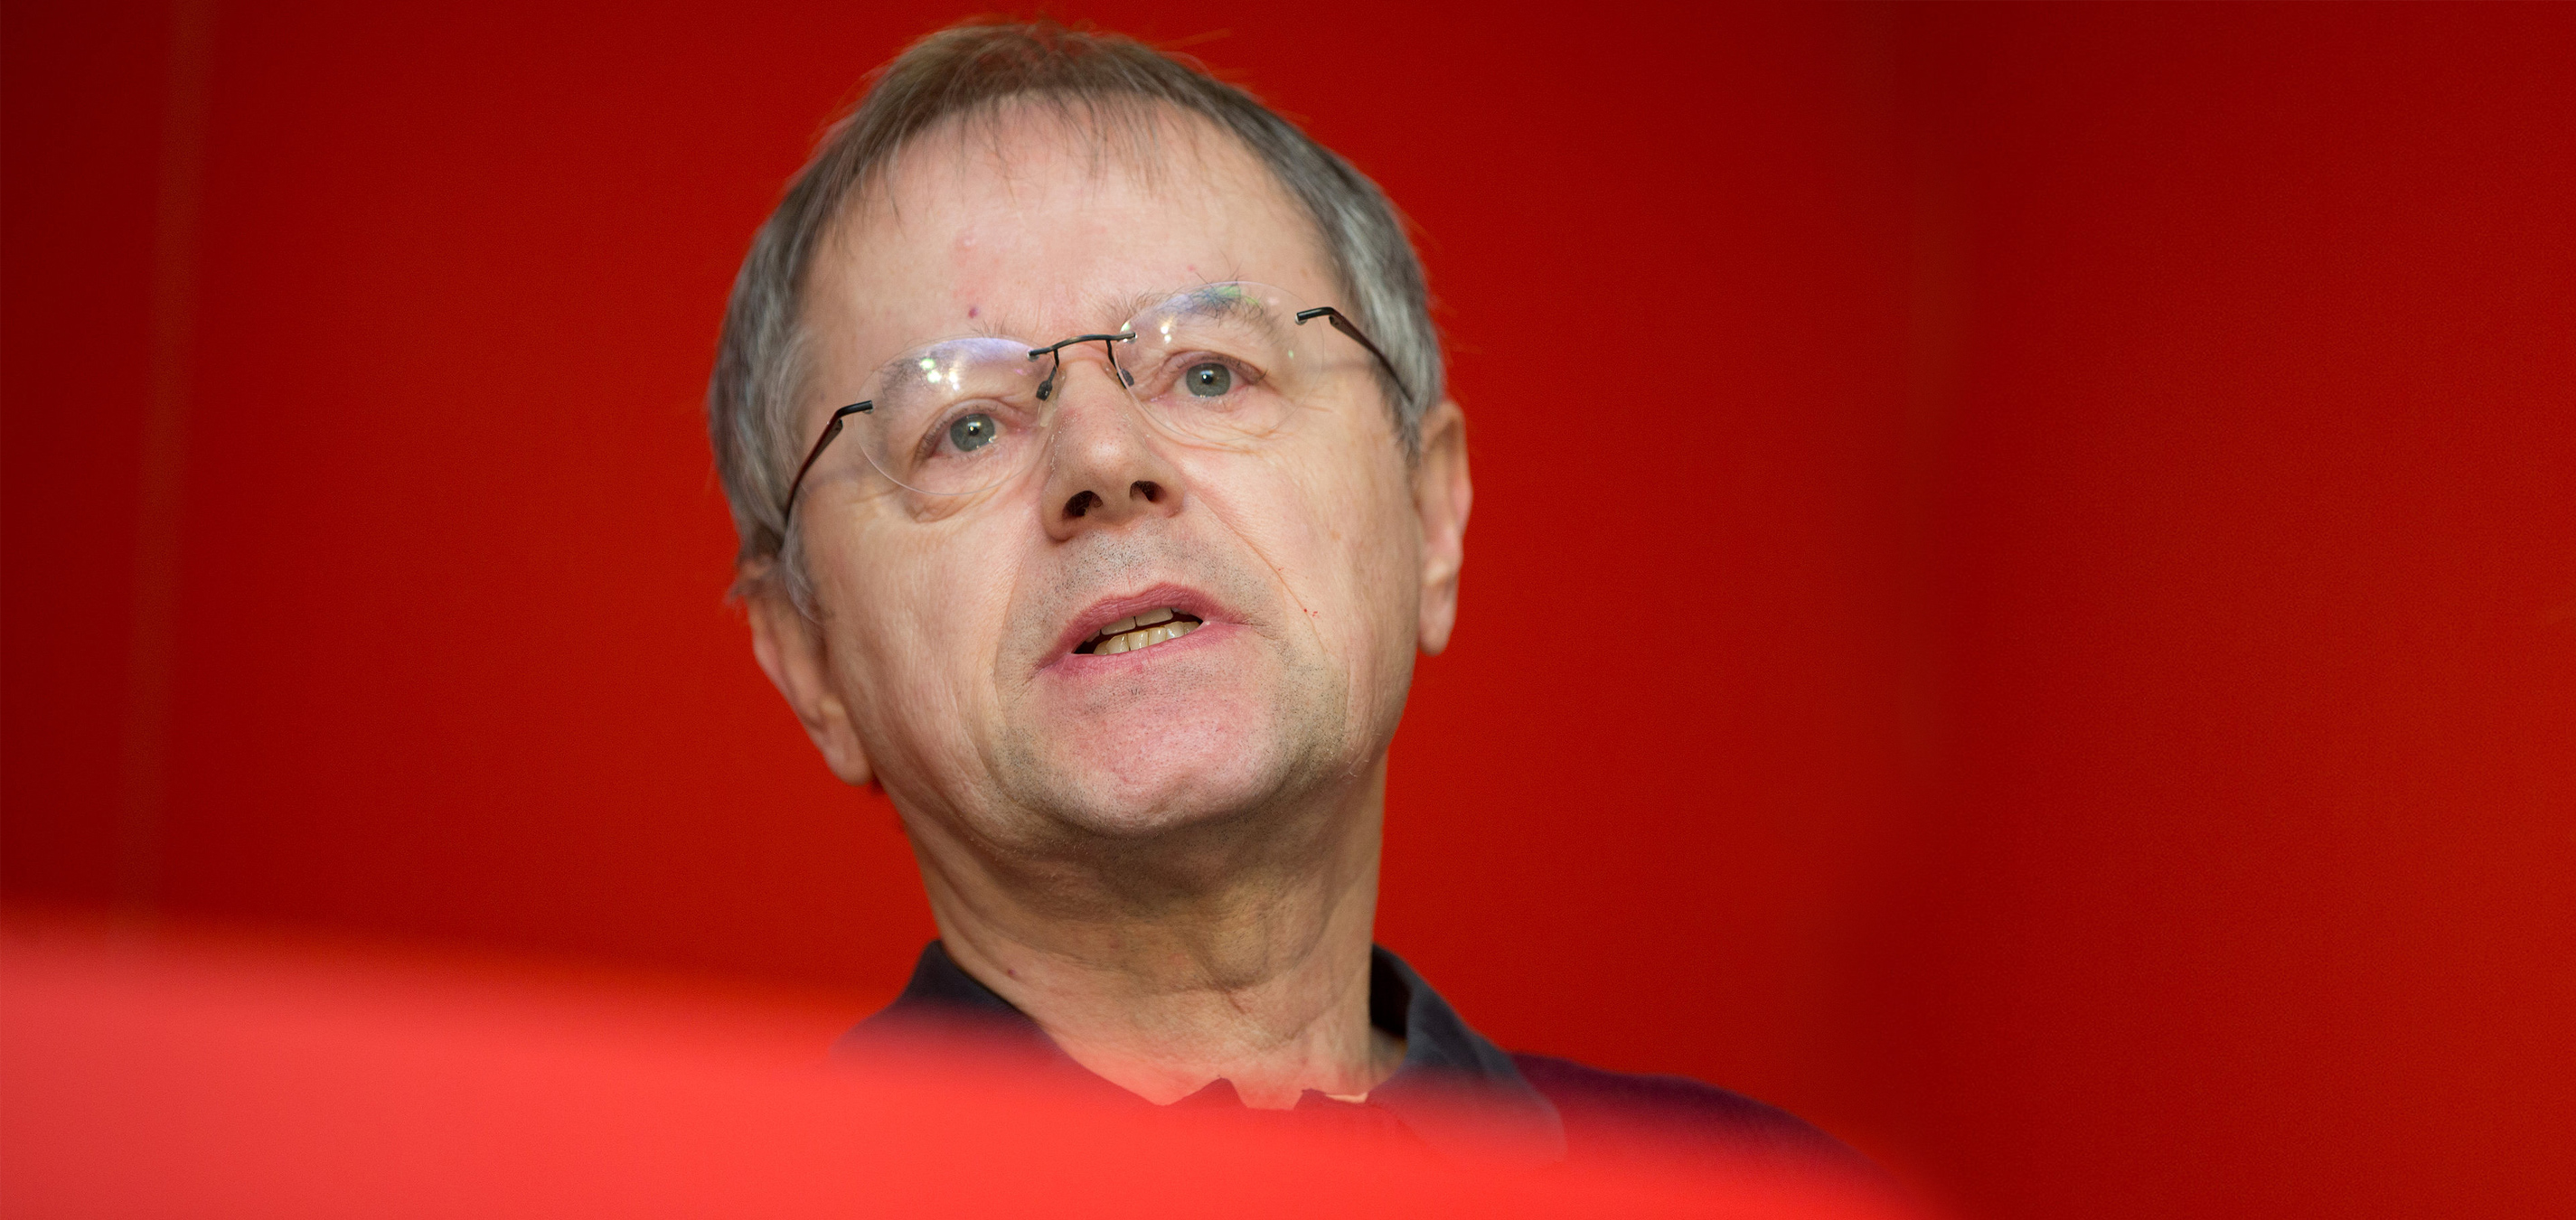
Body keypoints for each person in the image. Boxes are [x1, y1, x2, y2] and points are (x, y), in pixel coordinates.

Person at [707, 19, 1858, 1168]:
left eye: (1211, 371)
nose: (1104, 458)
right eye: (965, 428)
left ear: (1430, 516)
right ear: (808, 660)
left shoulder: (1751, 1189)